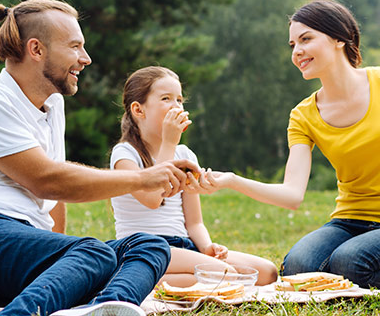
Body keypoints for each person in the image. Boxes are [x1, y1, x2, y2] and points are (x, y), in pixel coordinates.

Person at [0, 0, 204, 316]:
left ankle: (99, 314)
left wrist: (64, 257)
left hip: (14, 247)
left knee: (150, 246)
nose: (85, 59)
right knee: (95, 253)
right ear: (36, 49)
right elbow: (47, 179)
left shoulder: (52, 104)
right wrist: (142, 178)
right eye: (75, 47)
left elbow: (52, 198)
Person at [204, 0, 380, 289]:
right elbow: (292, 194)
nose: (297, 52)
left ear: (339, 39)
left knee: (348, 261)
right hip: (348, 220)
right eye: (293, 45)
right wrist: (232, 181)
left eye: (306, 39)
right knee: (297, 267)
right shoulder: (303, 115)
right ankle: (370, 274)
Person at [110, 66, 278, 286]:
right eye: (166, 99)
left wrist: (207, 247)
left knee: (266, 273)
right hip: (144, 248)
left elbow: (195, 222)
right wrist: (169, 142)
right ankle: (133, 276)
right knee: (226, 275)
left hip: (182, 247)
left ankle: (157, 281)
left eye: (179, 100)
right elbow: (153, 199)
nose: (176, 106)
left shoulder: (184, 154)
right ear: (138, 110)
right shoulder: (125, 154)